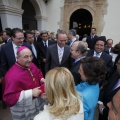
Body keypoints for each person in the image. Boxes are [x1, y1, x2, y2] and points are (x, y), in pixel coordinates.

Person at [3, 46, 46, 120]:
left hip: (38, 101)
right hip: (24, 108)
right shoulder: (11, 75)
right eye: (26, 57)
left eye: (31, 56)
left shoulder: (31, 65)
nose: (29, 59)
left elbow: (38, 73)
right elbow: (8, 98)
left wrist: (41, 79)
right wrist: (31, 93)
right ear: (17, 57)